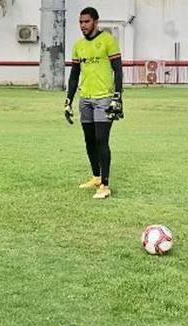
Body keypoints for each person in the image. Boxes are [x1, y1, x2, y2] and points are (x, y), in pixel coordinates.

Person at [64, 6, 124, 199]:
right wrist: (68, 101)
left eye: (86, 21)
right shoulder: (78, 45)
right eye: (80, 22)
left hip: (104, 98)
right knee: (89, 140)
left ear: (96, 22)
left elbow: (118, 70)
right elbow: (74, 75)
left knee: (101, 140)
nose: (83, 25)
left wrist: (117, 96)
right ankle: (96, 177)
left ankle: (105, 186)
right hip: (85, 99)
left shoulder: (108, 40)